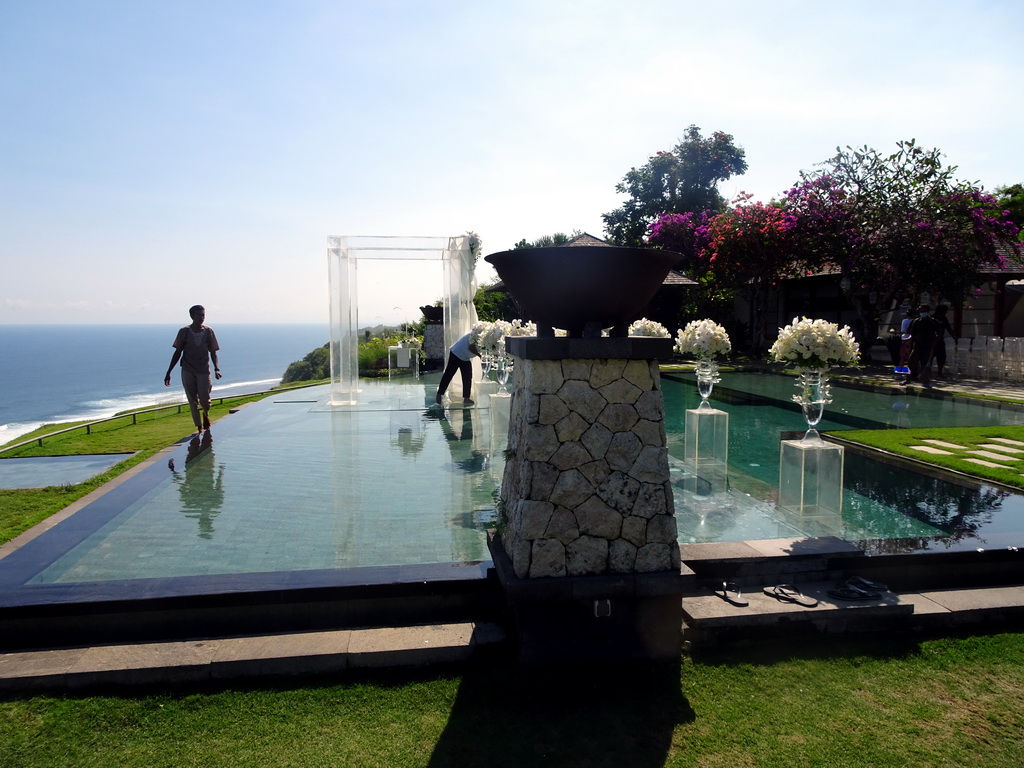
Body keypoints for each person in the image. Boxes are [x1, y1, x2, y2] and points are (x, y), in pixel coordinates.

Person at [164, 305, 222, 432]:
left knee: (205, 399)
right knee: (192, 399)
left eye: (203, 315)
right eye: (199, 315)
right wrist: (169, 372)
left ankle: (206, 414)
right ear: (192, 316)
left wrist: (216, 368)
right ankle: (198, 425)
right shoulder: (184, 331)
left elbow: (213, 352)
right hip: (187, 369)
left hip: (203, 370)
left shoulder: (209, 331)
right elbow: (177, 352)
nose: (201, 318)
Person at [434, 332, 479, 405]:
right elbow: (471, 348)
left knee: (467, 376)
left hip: (465, 356)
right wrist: (480, 355)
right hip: (456, 352)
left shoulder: (481, 335)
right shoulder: (478, 335)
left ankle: (466, 398)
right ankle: (439, 394)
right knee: (449, 374)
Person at [907, 304, 941, 385]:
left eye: (923, 311)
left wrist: (935, 340)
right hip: (917, 345)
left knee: (925, 363)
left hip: (928, 345)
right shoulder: (917, 321)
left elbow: (939, 333)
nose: (922, 312)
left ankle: (925, 380)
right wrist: (908, 339)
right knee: (911, 361)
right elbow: (912, 333)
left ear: (928, 311)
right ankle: (908, 379)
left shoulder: (933, 321)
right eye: (920, 311)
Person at [932, 305, 956, 377]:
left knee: (941, 356)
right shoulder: (932, 318)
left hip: (940, 340)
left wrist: (954, 336)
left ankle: (940, 372)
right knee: (930, 356)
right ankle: (926, 371)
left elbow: (948, 328)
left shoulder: (943, 318)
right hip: (932, 340)